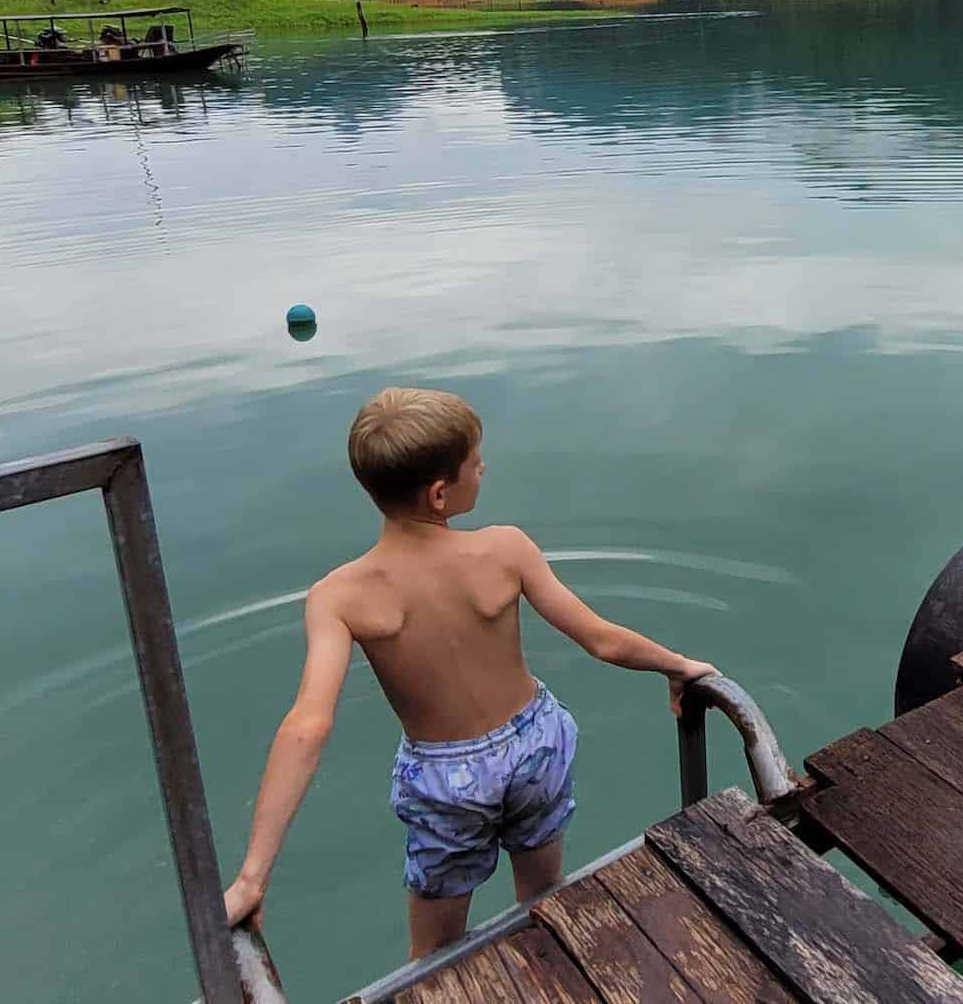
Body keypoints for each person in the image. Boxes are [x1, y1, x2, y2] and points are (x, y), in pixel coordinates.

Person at [221, 386, 716, 958]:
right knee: (543, 903)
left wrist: (253, 876)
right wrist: (679, 667)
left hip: (447, 781)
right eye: (474, 463)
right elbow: (601, 640)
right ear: (439, 493)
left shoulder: (338, 596)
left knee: (433, 957)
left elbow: (308, 725)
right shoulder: (506, 549)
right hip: (536, 745)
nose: (484, 468)